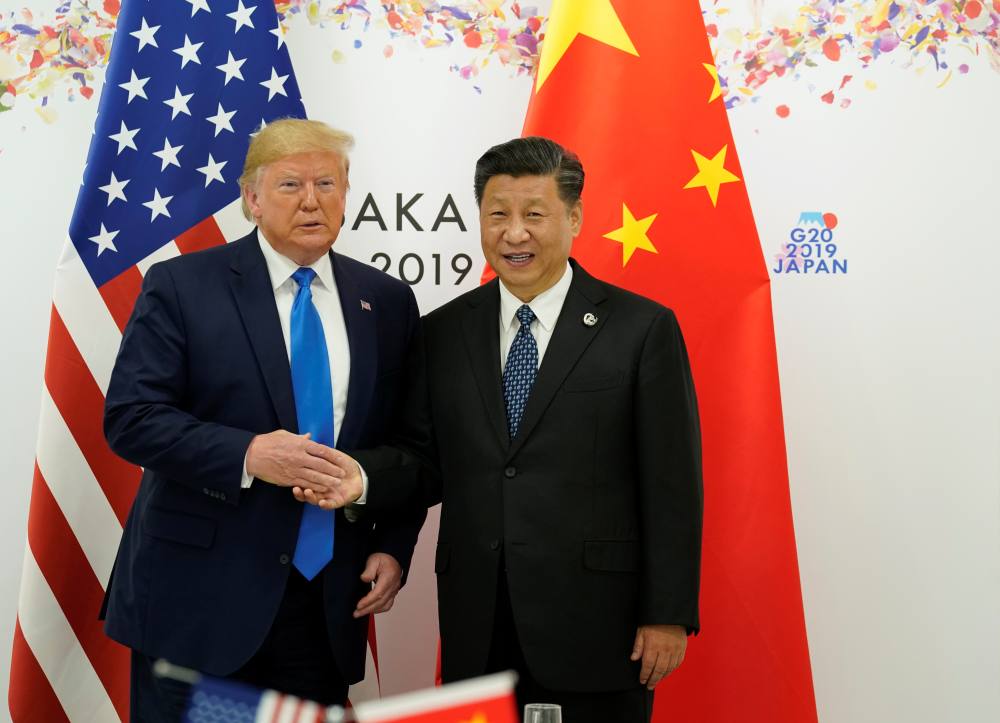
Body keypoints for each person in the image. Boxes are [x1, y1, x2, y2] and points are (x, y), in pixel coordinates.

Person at [308, 136, 703, 722]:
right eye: (498, 215)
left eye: (534, 215)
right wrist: (362, 478)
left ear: (573, 218)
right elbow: (424, 460)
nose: (514, 233)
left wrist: (667, 612)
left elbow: (671, 483)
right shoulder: (443, 333)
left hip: (599, 622)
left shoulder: (640, 329)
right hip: (479, 618)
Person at [101, 118, 425, 721]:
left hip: (326, 605)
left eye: (327, 183)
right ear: (251, 199)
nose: (312, 200)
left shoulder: (384, 301)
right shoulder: (182, 285)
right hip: (199, 602)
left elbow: (409, 443)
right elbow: (131, 417)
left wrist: (395, 545)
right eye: (290, 185)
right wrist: (249, 455)